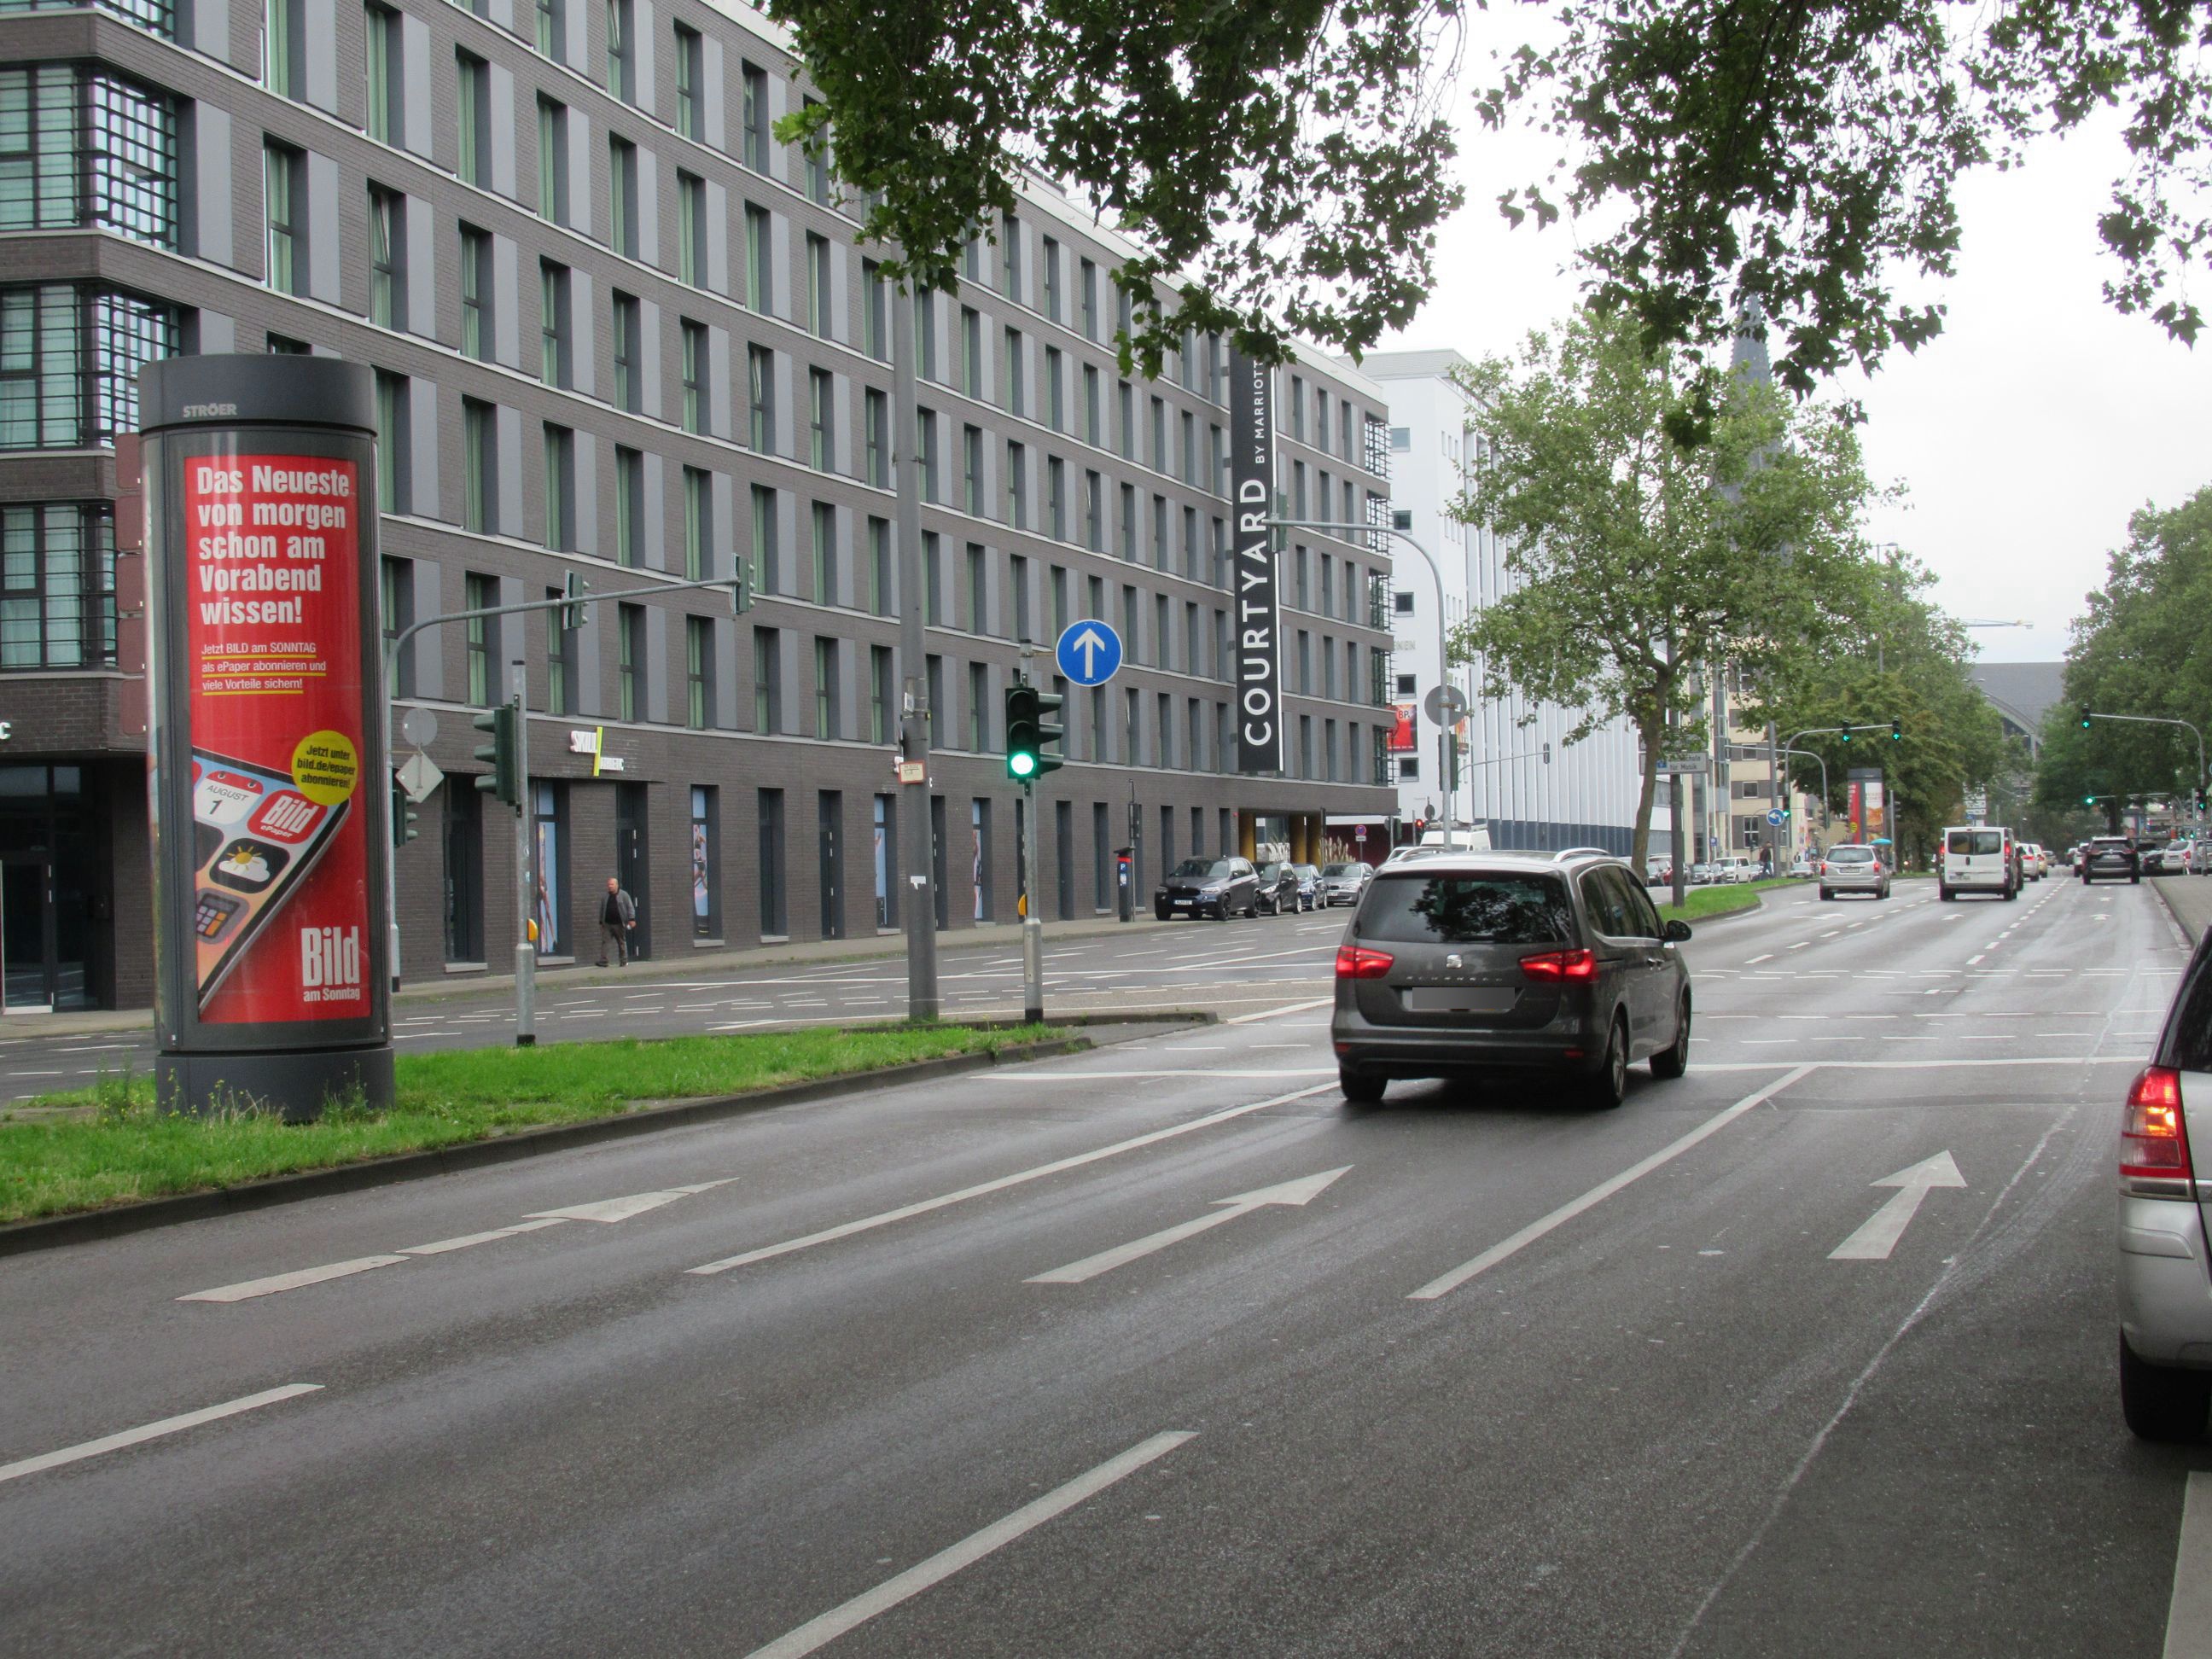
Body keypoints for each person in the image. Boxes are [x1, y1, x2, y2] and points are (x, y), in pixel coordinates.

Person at [597, 876, 636, 966]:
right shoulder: (605, 896)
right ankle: (604, 961)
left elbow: (630, 907)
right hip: (607, 924)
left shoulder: (624, 895)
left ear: (617, 885)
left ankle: (623, 960)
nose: (610, 886)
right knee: (605, 942)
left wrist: (632, 919)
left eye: (612, 884)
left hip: (619, 923)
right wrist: (601, 922)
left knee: (621, 942)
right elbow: (602, 909)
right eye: (608, 885)